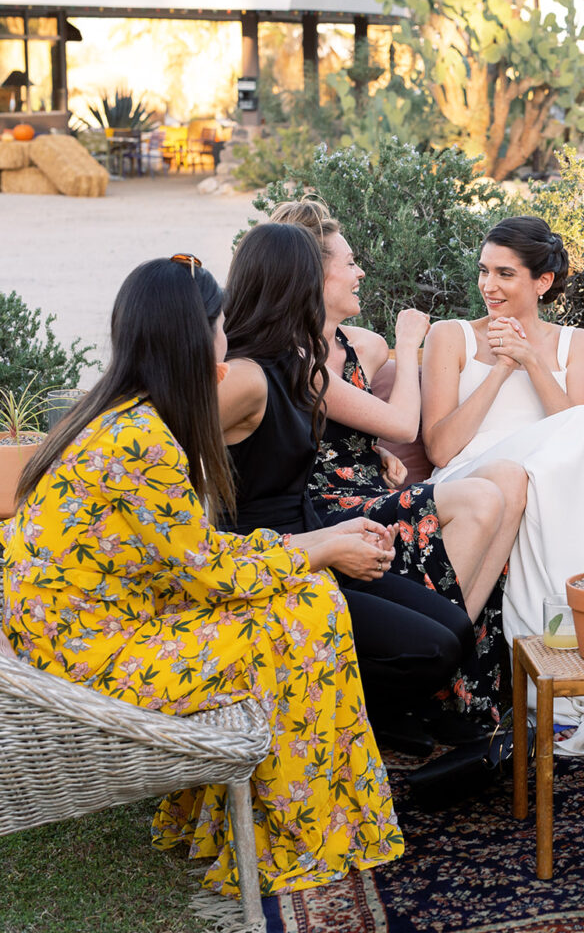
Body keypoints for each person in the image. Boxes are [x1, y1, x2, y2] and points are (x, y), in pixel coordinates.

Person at [1, 256, 403, 896]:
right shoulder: (141, 439)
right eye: (219, 324)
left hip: (90, 632)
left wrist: (311, 546)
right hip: (90, 660)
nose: (228, 335)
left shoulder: (124, 414)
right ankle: (297, 840)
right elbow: (210, 571)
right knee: (305, 617)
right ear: (195, 336)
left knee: (300, 600)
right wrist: (320, 549)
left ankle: (239, 828)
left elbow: (194, 559)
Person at [219, 222, 477, 756]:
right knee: (431, 648)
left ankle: (377, 715)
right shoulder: (246, 374)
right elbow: (184, 459)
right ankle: (366, 721)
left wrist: (346, 522)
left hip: (314, 532)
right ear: (295, 283)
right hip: (275, 557)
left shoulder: (296, 364)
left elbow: (300, 455)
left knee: (454, 629)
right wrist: (328, 548)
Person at [270, 200, 526, 727]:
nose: (361, 271)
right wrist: (412, 342)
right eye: (348, 262)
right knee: (480, 498)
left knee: (510, 480)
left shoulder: (360, 345)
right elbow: (406, 426)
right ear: (311, 276)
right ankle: (439, 676)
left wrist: (374, 448)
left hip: (371, 491)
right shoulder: (293, 357)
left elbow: (356, 423)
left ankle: (445, 659)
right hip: (332, 511)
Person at [421, 215, 584, 756]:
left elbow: (580, 432)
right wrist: (500, 369)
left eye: (505, 274)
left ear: (542, 282)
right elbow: (439, 448)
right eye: (484, 272)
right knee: (550, 457)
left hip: (552, 477)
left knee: (578, 441)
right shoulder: (450, 337)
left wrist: (529, 359)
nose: (489, 286)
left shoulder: (575, 343)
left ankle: (576, 659)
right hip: (473, 478)